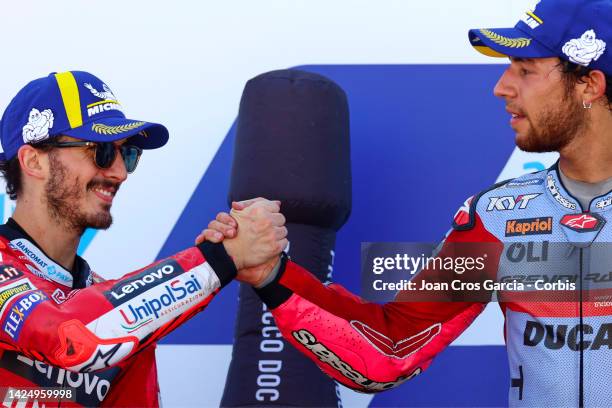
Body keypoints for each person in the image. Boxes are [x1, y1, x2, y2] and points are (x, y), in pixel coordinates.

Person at [204, 0, 612, 406]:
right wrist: (273, 275)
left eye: (526, 70)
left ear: (589, 85)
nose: (502, 86)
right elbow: (391, 350)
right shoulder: (500, 216)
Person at [0, 71, 287, 407]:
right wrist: (220, 257)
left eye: (129, 154)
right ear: (34, 160)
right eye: (102, 152)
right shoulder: (106, 321)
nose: (119, 172)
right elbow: (72, 336)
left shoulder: (115, 315)